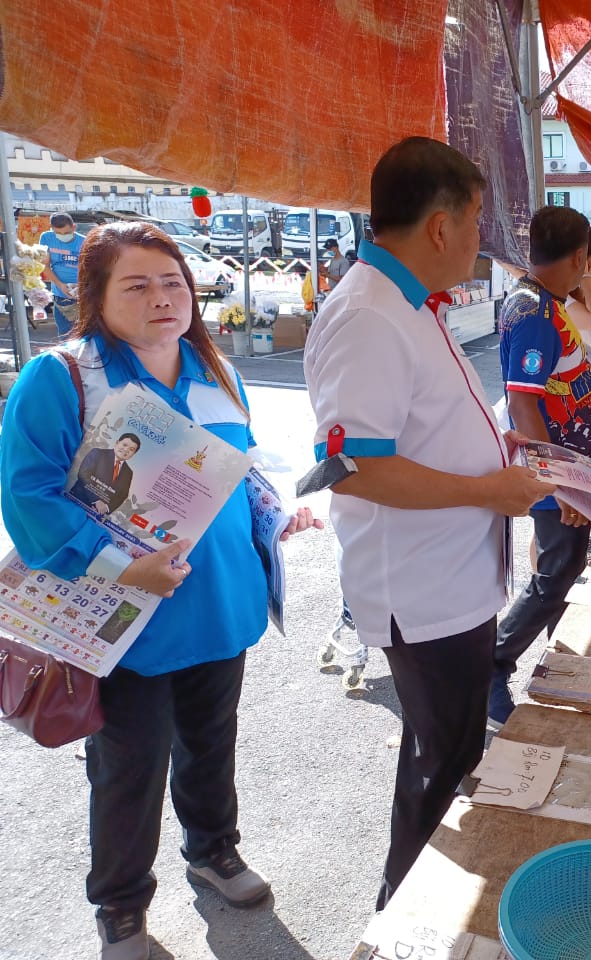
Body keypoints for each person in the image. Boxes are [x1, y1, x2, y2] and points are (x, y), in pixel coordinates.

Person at [0, 222, 321, 959]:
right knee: (128, 766)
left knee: (211, 744)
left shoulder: (215, 368)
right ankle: (120, 906)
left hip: (220, 607)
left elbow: (237, 470)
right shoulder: (63, 377)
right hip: (123, 624)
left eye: (173, 282)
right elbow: (30, 497)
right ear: (97, 297)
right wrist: (118, 565)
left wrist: (273, 517)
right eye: (137, 285)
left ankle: (213, 850)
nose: (162, 298)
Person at [303, 137, 550, 910]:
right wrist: (487, 487)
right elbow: (361, 468)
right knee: (440, 760)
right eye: (476, 224)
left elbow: (415, 429)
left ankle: (411, 907)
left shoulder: (408, 301)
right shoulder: (369, 315)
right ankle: (403, 914)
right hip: (420, 588)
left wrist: (491, 450)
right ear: (440, 227)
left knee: (448, 749)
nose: (481, 245)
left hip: (454, 580)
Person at [488, 206, 591, 726]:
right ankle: (495, 663)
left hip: (571, 465)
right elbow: (523, 403)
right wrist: (562, 485)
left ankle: (526, 656)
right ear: (578, 256)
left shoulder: (545, 303)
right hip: (559, 474)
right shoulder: (534, 312)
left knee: (565, 566)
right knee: (556, 571)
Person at [69, 431, 141, 515]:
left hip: (98, 514)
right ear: (117, 443)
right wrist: (96, 501)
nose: (126, 450)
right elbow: (83, 474)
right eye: (124, 445)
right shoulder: (98, 453)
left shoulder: (129, 472)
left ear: (134, 454)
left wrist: (106, 508)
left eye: (131, 449)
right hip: (76, 501)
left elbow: (122, 495)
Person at [40, 212, 86, 336]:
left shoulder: (84, 242)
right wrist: (60, 285)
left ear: (74, 227)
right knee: (65, 336)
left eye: (66, 233)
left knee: (84, 335)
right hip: (60, 296)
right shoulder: (46, 238)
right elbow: (45, 265)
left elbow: (91, 270)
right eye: (58, 233)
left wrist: (80, 287)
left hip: (82, 297)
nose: (62, 236)